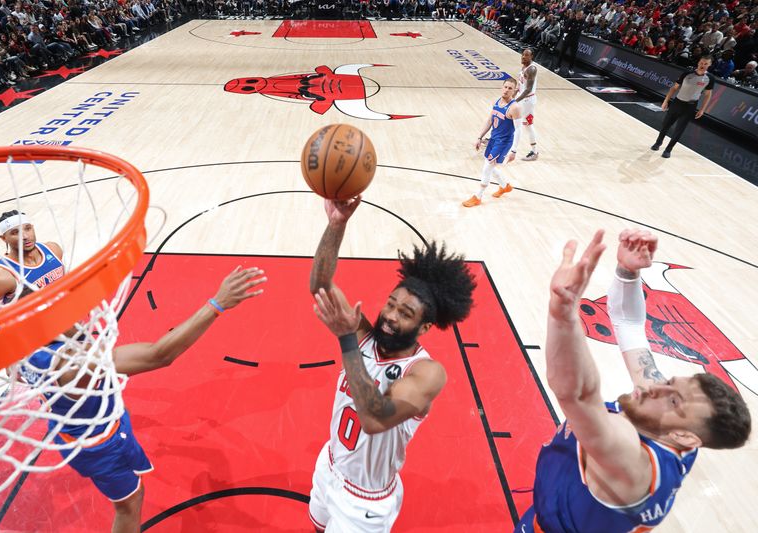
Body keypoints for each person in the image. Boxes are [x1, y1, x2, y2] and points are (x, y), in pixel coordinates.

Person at [515, 228, 751, 532]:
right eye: (672, 382)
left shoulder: (632, 463)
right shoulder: (669, 422)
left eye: (674, 399)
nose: (655, 386)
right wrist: (628, 272)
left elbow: (577, 394)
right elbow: (629, 325)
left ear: (685, 438)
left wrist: (563, 314)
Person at [14, 266, 266, 533]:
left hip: (71, 429)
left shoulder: (23, 354)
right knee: (130, 504)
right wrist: (217, 303)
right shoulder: (75, 364)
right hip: (99, 445)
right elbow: (159, 355)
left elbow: (16, 372)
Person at [307, 196, 476, 532]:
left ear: (425, 327)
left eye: (405, 313)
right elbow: (320, 286)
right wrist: (336, 225)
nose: (390, 317)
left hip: (364, 502)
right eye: (391, 304)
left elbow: (374, 417)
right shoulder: (367, 337)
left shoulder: (427, 372)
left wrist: (346, 340)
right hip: (329, 465)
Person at [0, 210, 65, 319]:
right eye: (15, 232)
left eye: (28, 228)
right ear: (4, 238)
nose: (25, 236)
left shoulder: (53, 249)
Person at [463, 77, 521, 207]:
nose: (506, 90)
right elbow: (490, 120)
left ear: (514, 91)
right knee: (490, 165)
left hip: (503, 142)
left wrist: (514, 150)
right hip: (493, 139)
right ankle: (504, 186)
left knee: (487, 167)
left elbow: (518, 130)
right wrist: (479, 137)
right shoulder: (498, 101)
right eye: (505, 87)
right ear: (502, 87)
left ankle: (478, 196)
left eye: (510, 88)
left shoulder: (515, 107)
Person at [651, 56, 713, 158]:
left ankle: (668, 149)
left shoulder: (710, 78)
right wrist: (666, 101)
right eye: (702, 63)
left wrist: (702, 109)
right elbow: (674, 87)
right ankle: (658, 143)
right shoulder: (687, 73)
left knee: (679, 129)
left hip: (690, 107)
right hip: (677, 103)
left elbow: (708, 94)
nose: (703, 65)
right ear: (698, 63)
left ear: (709, 65)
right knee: (665, 125)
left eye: (706, 64)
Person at [511, 48, 539, 162]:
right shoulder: (524, 66)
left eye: (526, 55)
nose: (523, 57)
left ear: (531, 57)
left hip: (527, 100)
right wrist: (515, 92)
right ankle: (534, 151)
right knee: (525, 124)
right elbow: (521, 84)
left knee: (524, 124)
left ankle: (533, 151)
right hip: (523, 99)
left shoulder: (531, 69)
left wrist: (516, 100)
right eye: (523, 54)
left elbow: (528, 89)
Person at [554, 9, 584, 75]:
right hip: (568, 39)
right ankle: (557, 66)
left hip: (575, 41)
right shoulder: (571, 20)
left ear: (582, 16)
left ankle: (570, 68)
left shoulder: (582, 21)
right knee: (562, 53)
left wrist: (572, 29)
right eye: (578, 14)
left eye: (581, 15)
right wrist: (566, 36)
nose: (579, 16)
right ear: (576, 14)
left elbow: (579, 30)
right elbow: (566, 29)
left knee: (573, 56)